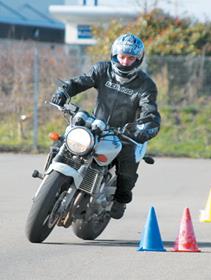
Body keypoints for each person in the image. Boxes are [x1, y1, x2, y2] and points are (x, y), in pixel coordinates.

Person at [50, 33, 161, 219]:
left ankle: (120, 199)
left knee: (127, 168)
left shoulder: (146, 85)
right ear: (115, 54)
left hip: (125, 133)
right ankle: (54, 177)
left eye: (131, 58)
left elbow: (150, 111)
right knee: (64, 140)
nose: (125, 61)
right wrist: (64, 90)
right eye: (122, 56)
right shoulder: (102, 69)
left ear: (138, 59)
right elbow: (81, 81)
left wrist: (144, 126)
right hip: (96, 125)